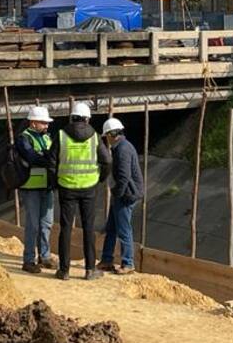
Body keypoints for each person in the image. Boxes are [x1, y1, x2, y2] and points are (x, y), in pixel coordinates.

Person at [51, 101, 111, 281]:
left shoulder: (61, 135)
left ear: (72, 117)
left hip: (66, 187)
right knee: (88, 228)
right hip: (89, 188)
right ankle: (90, 270)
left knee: (66, 228)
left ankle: (64, 270)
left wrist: (56, 182)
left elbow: (51, 162)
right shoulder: (94, 136)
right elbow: (107, 161)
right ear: (87, 118)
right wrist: (100, 178)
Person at [97, 117, 144, 275]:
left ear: (112, 134)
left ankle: (128, 263)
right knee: (111, 228)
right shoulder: (121, 147)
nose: (106, 140)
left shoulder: (123, 149)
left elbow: (124, 176)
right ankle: (106, 260)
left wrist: (117, 193)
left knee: (124, 230)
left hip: (126, 194)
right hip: (124, 193)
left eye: (106, 136)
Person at [16, 105, 58, 274]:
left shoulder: (47, 138)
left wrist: (46, 157)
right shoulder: (23, 138)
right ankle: (28, 260)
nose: (46, 126)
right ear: (33, 122)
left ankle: (45, 256)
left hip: (46, 186)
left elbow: (50, 156)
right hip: (31, 187)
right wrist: (48, 158)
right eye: (43, 122)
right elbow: (32, 157)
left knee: (46, 223)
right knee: (32, 225)